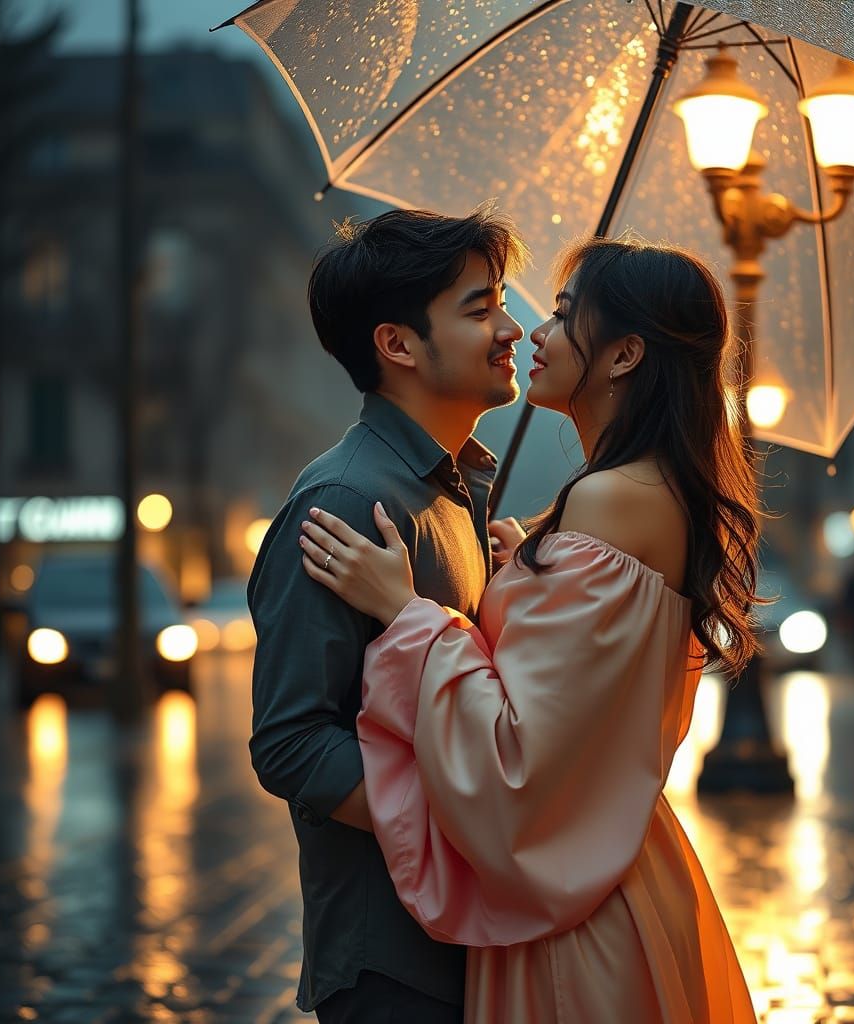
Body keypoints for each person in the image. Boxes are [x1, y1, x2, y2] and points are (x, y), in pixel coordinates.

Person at [298, 237, 761, 1022]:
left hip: (572, 924)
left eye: (563, 314)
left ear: (623, 357)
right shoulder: (637, 496)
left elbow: (517, 762)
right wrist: (530, 564)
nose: (532, 333)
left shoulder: (609, 502)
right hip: (614, 872)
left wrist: (407, 613)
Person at [247, 204, 528, 1022]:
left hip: (470, 942)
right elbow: (291, 742)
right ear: (398, 344)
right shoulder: (347, 500)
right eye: (480, 309)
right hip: (392, 962)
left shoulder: (451, 490)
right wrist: (454, 829)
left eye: (501, 301)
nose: (510, 327)